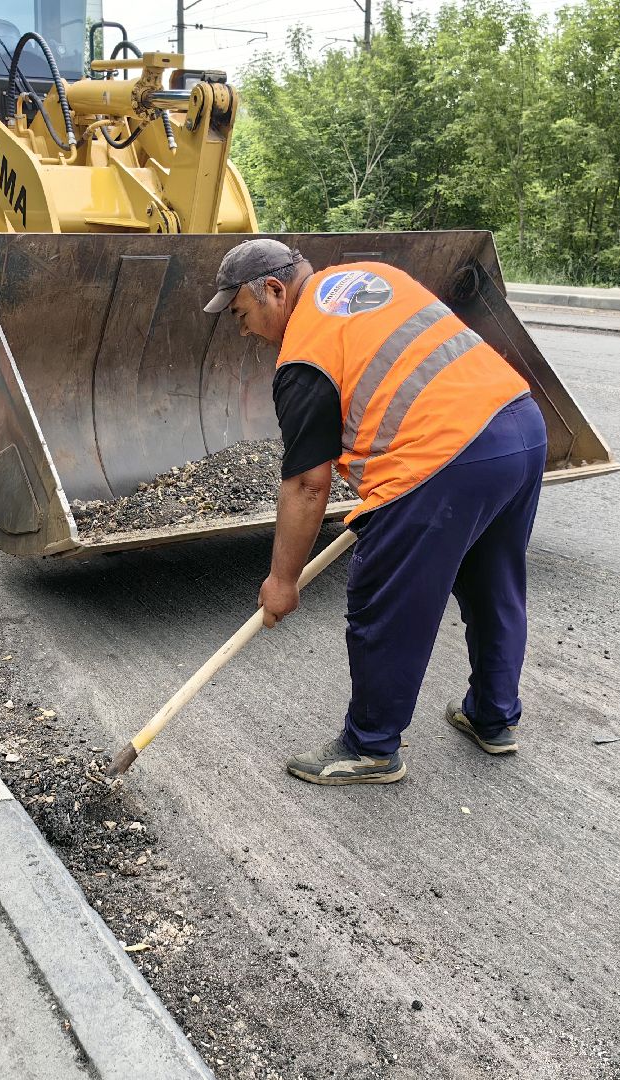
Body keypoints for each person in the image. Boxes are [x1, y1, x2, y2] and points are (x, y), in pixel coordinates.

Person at [202, 238, 548, 786]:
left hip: (441, 456)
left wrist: (282, 580)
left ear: (272, 290)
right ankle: (492, 717)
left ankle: (370, 747)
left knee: (383, 600)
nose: (245, 332)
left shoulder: (303, 355)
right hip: (520, 426)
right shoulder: (368, 276)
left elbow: (307, 485)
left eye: (243, 316)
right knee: (494, 583)